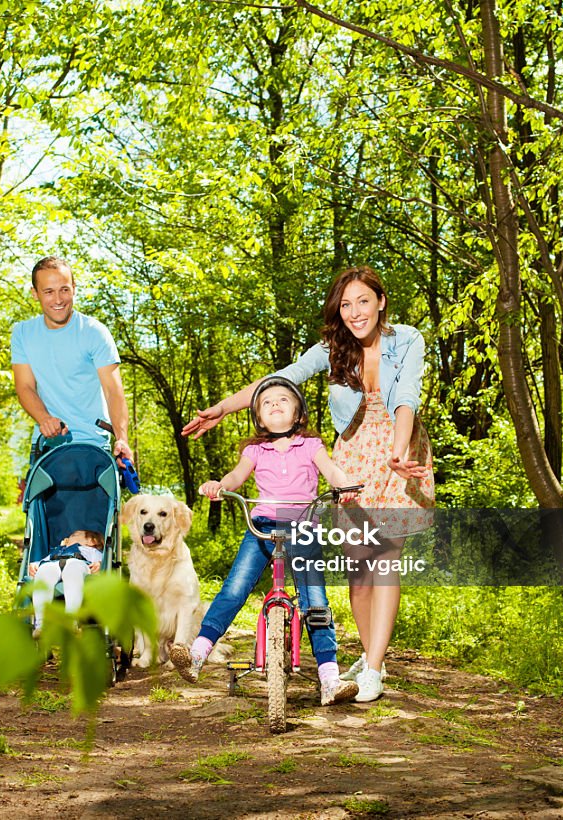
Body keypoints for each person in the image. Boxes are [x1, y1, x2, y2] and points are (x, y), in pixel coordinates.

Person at [183, 266, 434, 703]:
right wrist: (222, 408)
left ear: (381, 301)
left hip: (398, 449)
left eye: (363, 301)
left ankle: (374, 667)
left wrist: (398, 450)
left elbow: (405, 397)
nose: (355, 312)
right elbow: (282, 378)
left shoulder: (408, 339)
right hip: (351, 455)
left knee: (386, 558)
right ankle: (372, 654)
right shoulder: (333, 348)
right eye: (346, 304)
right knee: (359, 567)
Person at [171, 377, 360, 706]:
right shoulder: (254, 450)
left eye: (283, 400)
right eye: (267, 401)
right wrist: (220, 485)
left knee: (314, 598)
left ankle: (330, 677)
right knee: (235, 587)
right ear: (258, 416)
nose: (275, 404)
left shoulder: (311, 446)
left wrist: (345, 486)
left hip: (302, 526)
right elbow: (236, 477)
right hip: (261, 525)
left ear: (299, 413)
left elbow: (332, 472)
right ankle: (198, 655)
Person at [11, 256, 134, 462]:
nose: (58, 299)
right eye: (49, 292)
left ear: (74, 288)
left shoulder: (95, 332)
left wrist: (122, 439)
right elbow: (24, 387)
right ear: (35, 294)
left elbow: (113, 391)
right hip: (47, 446)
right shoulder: (23, 333)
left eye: (64, 289)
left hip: (93, 447)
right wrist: (45, 419)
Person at [29, 529, 105, 636]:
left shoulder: (91, 551)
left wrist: (99, 564)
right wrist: (35, 565)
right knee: (44, 571)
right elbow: (43, 561)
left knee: (73, 569)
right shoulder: (57, 550)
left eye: (75, 535)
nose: (68, 537)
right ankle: (41, 625)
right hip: (53, 563)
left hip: (78, 561)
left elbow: (102, 562)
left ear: (91, 541)